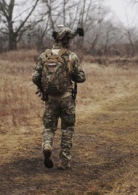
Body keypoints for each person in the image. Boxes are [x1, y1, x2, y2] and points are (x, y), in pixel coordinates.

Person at [32, 25, 86, 170]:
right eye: (71, 40)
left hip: (50, 99)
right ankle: (64, 162)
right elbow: (81, 78)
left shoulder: (45, 55)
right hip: (67, 98)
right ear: (67, 40)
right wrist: (71, 74)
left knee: (49, 127)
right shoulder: (71, 56)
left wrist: (43, 88)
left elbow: (35, 77)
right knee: (67, 129)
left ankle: (47, 145)